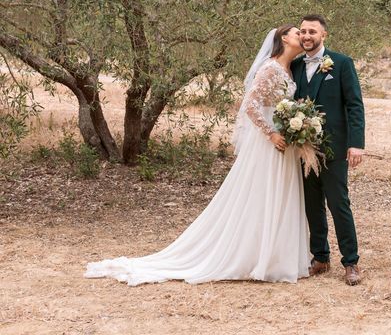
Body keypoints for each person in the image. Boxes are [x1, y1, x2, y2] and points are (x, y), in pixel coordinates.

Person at [84, 25, 311, 285]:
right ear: (283, 38)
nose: (301, 37)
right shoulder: (270, 68)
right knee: (262, 194)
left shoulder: (289, 69)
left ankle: (275, 256)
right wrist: (271, 133)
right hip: (269, 143)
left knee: (279, 194)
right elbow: (250, 105)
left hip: (284, 141)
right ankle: (254, 255)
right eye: (297, 33)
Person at [291, 14, 365, 286]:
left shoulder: (342, 63)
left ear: (324, 35)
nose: (306, 36)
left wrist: (356, 143)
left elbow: (354, 105)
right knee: (312, 205)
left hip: (334, 148)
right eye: (302, 31)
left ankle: (351, 261)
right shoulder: (295, 65)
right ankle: (320, 257)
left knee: (338, 203)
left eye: (312, 31)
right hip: (303, 148)